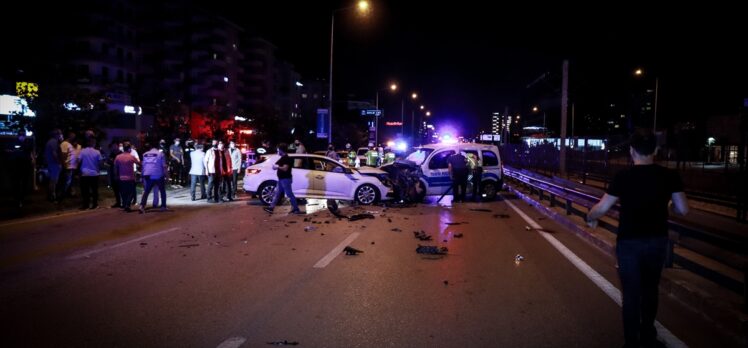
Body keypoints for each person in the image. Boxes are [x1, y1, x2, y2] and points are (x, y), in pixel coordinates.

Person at [586, 130, 689, 348]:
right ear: (656, 150)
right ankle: (648, 337)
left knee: (631, 294)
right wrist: (669, 205)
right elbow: (683, 209)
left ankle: (632, 342)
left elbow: (602, 208)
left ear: (632, 151)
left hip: (629, 243)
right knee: (650, 289)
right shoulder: (670, 176)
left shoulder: (623, 177)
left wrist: (590, 216)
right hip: (657, 242)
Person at [263, 143, 301, 215]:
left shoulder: (286, 158)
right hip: (281, 179)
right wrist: (275, 167)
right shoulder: (283, 158)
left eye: (278, 150)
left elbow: (285, 168)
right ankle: (271, 208)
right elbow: (278, 165)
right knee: (277, 194)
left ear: (281, 150)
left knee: (289, 194)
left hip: (285, 179)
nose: (277, 151)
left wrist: (277, 167)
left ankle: (296, 209)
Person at [7, 129, 35, 208]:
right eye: (20, 135)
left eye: (23, 135)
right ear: (18, 135)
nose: (22, 136)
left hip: (25, 166)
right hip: (16, 166)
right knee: (16, 183)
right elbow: (10, 151)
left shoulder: (28, 143)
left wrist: (32, 159)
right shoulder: (14, 142)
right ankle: (17, 199)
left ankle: (21, 199)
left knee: (24, 183)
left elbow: (30, 152)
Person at [139, 141, 168, 213]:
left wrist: (142, 175)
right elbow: (164, 166)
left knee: (147, 191)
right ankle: (163, 206)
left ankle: (142, 206)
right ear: (157, 147)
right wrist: (166, 175)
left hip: (147, 175)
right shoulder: (160, 154)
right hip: (158, 175)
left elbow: (143, 166)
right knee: (162, 191)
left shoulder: (145, 154)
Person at [114, 142, 140, 212]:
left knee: (123, 192)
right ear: (129, 149)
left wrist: (116, 176)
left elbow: (115, 168)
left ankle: (125, 203)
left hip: (121, 178)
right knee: (131, 192)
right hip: (130, 178)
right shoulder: (131, 157)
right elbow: (138, 163)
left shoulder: (118, 157)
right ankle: (127, 204)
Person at [78, 138, 103, 210]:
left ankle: (86, 205)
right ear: (94, 143)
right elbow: (100, 162)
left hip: (85, 173)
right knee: (94, 190)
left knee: (85, 190)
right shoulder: (97, 152)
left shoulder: (82, 151)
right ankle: (94, 204)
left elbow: (78, 160)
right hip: (94, 174)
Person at [44, 129, 63, 202]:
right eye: (60, 134)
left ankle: (51, 196)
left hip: (50, 163)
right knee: (53, 181)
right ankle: (52, 197)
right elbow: (54, 153)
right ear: (56, 135)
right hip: (54, 164)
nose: (61, 135)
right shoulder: (54, 142)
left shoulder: (49, 142)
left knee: (52, 180)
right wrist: (59, 163)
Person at [107, 142, 123, 208]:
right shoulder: (112, 154)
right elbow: (108, 162)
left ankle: (123, 202)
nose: (113, 147)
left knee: (121, 188)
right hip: (113, 173)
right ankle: (118, 202)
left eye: (114, 146)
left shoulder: (121, 153)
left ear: (117, 146)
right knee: (115, 188)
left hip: (120, 173)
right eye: (112, 146)